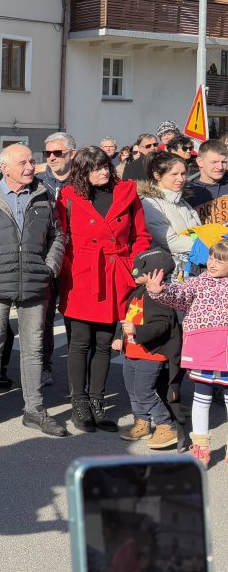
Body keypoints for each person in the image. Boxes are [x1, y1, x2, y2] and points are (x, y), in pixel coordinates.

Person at [0, 144, 67, 436]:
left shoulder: (44, 194)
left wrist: (50, 267)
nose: (30, 167)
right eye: (23, 162)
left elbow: (57, 235)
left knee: (34, 348)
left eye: (31, 161)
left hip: (35, 279)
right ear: (5, 168)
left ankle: (34, 409)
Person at [57, 146, 150, 434]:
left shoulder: (127, 193)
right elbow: (59, 237)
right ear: (82, 171)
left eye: (106, 166)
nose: (103, 172)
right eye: (96, 168)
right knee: (80, 342)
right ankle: (79, 402)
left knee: (104, 342)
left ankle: (97, 401)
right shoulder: (68, 196)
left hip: (116, 273)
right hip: (82, 275)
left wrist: (133, 265)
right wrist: (66, 269)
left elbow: (141, 235)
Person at [148, 240, 228, 466]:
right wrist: (161, 291)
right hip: (203, 347)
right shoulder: (198, 282)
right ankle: (201, 447)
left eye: (220, 260)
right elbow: (179, 294)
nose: (212, 264)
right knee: (201, 398)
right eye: (211, 258)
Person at [113, 250, 181, 449]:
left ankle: (166, 426)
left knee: (144, 391)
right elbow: (127, 317)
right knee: (132, 389)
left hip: (151, 353)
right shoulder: (138, 293)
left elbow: (163, 325)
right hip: (132, 352)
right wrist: (119, 337)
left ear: (153, 272)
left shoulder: (158, 295)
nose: (134, 272)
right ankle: (142, 422)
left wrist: (138, 330)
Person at [138, 151, 199, 261]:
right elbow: (170, 242)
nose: (181, 179)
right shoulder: (149, 204)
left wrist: (202, 240)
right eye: (174, 174)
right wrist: (207, 246)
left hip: (194, 260)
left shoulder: (183, 203)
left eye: (183, 173)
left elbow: (195, 231)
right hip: (170, 266)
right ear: (157, 176)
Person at [184, 138, 228, 220]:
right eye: (214, 162)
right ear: (200, 162)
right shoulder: (187, 192)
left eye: (224, 162)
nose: (220, 167)